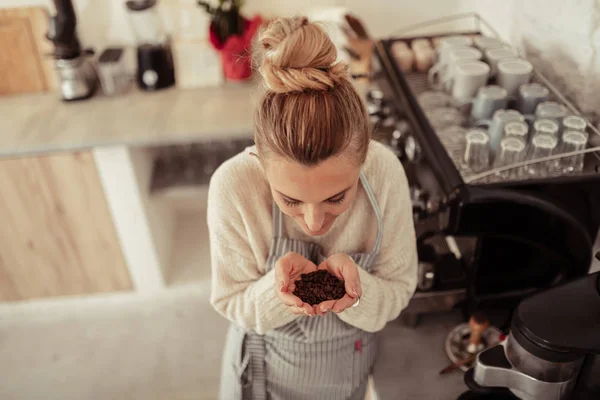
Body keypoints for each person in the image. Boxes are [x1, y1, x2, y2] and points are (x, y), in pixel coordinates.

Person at [207, 15, 418, 400]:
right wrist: (276, 290)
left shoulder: (384, 172)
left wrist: (357, 294)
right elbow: (230, 301)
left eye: (337, 197)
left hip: (349, 370)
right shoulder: (233, 186)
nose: (314, 222)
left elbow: (400, 289)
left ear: (364, 160)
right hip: (265, 374)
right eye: (289, 200)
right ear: (263, 166)